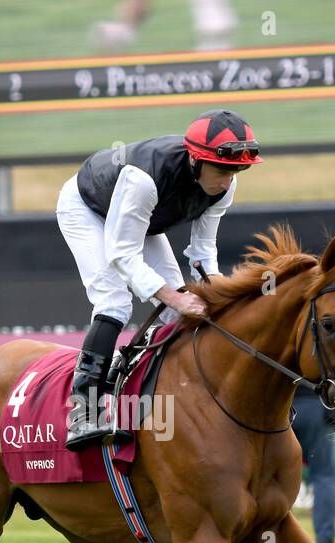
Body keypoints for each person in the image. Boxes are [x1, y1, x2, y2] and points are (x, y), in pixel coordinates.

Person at [56, 108, 262, 450]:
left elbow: (202, 254)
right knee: (115, 302)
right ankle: (83, 412)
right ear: (195, 161)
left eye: (237, 170)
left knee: (179, 314)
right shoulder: (144, 179)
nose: (228, 179)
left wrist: (218, 296)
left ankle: (161, 399)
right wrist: (176, 296)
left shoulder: (225, 186)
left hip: (141, 219)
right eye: (223, 169)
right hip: (87, 208)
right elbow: (122, 255)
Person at [291, 389, 335, 543]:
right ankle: (325, 538)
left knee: (271, 477)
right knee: (323, 476)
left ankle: (267, 535)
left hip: (282, 407)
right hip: (316, 408)